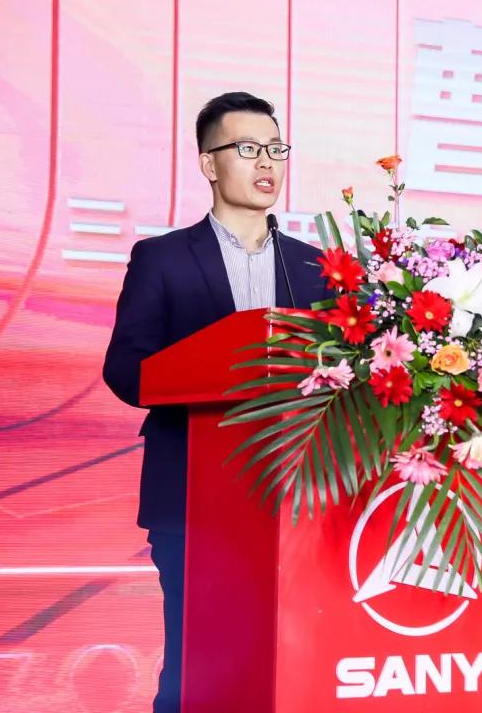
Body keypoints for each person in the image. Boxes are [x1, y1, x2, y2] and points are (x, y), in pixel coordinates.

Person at [102, 91, 329, 713]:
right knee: (196, 664)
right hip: (193, 498)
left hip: (297, 499)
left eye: (276, 149)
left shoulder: (316, 268)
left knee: (291, 663)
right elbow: (125, 368)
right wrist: (215, 371)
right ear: (209, 164)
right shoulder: (163, 258)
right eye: (248, 148)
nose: (267, 162)